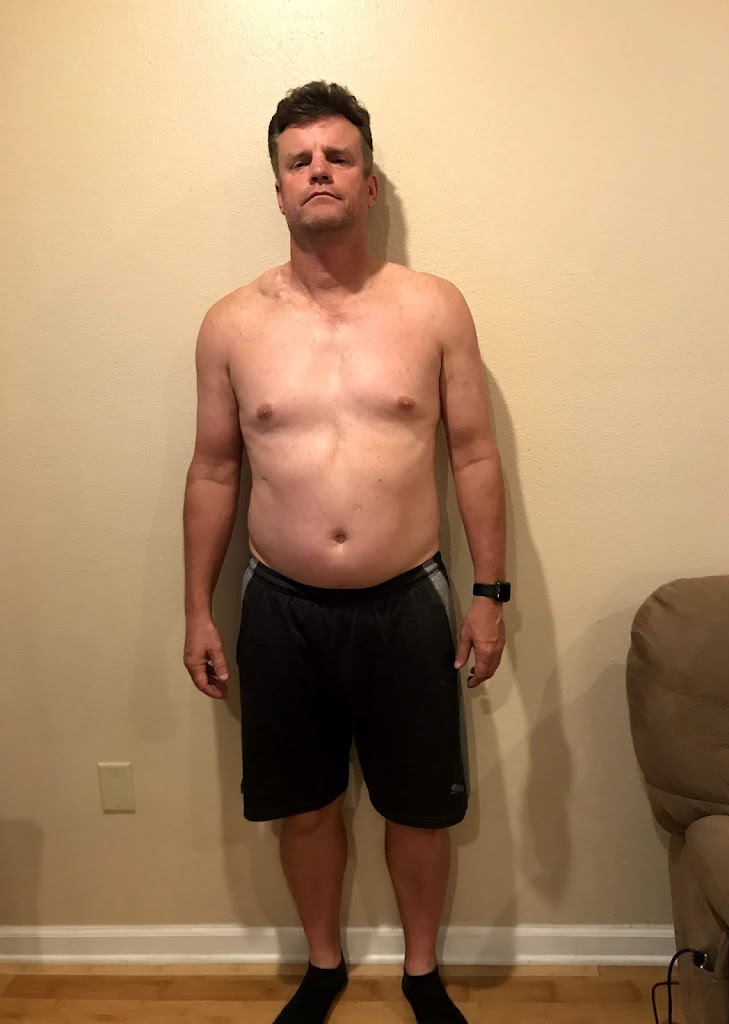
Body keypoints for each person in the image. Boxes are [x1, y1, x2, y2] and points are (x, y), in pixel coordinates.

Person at [183, 81, 508, 1024]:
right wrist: (198, 609)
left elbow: (474, 454)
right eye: (299, 160)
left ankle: (421, 973)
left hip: (409, 601)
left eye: (338, 156)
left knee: (419, 808)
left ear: (368, 185)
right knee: (307, 807)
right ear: (279, 189)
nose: (318, 171)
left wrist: (490, 593)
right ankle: (323, 965)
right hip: (279, 606)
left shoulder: (434, 307)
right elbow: (213, 470)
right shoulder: (230, 323)